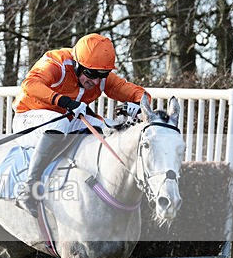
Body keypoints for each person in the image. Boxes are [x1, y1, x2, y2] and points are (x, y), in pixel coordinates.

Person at [12, 33, 150, 218]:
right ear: (77, 63)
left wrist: (137, 104)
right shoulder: (57, 63)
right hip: (28, 117)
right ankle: (28, 190)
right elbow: (30, 84)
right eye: (91, 74)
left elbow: (141, 95)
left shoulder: (100, 77)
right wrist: (65, 102)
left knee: (107, 127)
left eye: (103, 75)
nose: (95, 81)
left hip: (67, 118)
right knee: (60, 125)